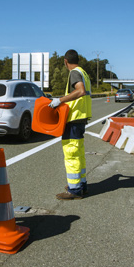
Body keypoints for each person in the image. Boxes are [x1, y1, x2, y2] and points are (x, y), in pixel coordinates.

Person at [49, 49, 92, 200]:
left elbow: (80, 91)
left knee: (71, 154)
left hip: (74, 119)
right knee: (79, 153)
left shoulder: (74, 72)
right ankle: (82, 185)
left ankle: (74, 190)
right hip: (81, 118)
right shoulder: (84, 72)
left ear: (65, 61)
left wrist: (59, 100)